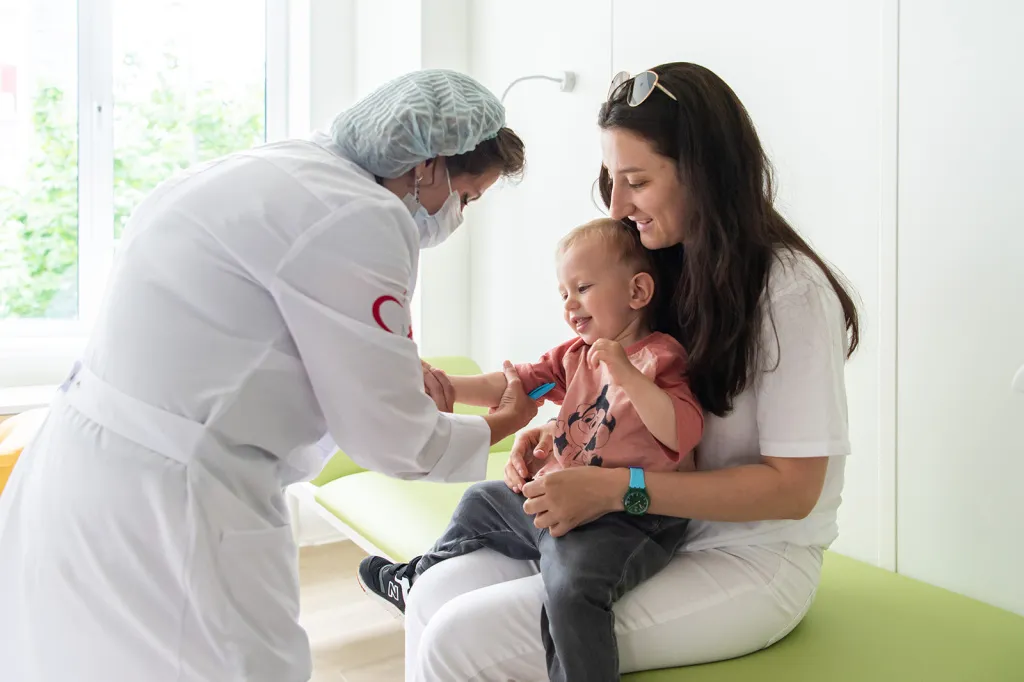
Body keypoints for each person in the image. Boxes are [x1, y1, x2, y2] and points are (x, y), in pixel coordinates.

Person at [0, 69, 538, 682]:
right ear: (428, 166)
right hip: (176, 496)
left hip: (77, 463)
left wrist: (393, 369)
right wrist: (503, 424)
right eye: (467, 197)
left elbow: (253, 329)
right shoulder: (362, 216)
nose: (457, 216)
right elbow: (392, 437)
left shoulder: (275, 168)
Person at [404, 62, 862, 681]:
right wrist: (567, 441)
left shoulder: (788, 292)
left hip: (750, 557)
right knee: (432, 591)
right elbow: (593, 397)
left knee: (460, 637)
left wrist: (618, 488)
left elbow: (793, 491)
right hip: (640, 525)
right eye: (610, 180)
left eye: (637, 181)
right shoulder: (663, 272)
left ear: (704, 173)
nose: (617, 204)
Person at [357, 217, 704, 681]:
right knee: (480, 500)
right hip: (556, 503)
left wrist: (627, 375)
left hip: (627, 519)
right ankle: (416, 577)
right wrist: (447, 384)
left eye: (582, 288)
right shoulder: (575, 355)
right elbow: (514, 385)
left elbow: (682, 432)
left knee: (570, 591)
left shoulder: (660, 357)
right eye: (563, 293)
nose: (570, 304)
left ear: (637, 292)